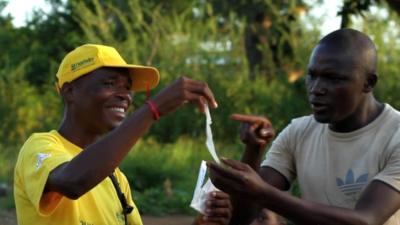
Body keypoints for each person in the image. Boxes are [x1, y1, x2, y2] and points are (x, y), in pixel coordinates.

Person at [13, 43, 226, 225]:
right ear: (70, 91)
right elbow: (72, 182)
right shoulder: (40, 147)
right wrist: (153, 109)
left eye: (128, 87)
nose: (125, 96)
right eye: (109, 83)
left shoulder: (115, 178)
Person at [208, 28, 400, 225]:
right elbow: (241, 219)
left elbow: (366, 220)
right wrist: (253, 151)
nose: (316, 89)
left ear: (368, 82)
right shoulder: (298, 132)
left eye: (333, 78)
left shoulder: (395, 135)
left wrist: (264, 194)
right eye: (312, 76)